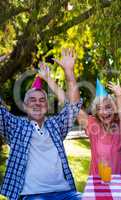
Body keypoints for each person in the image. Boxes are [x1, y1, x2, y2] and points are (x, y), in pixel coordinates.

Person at [0, 48, 82, 200]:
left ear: (47, 106)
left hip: (66, 193)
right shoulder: (16, 126)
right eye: (32, 100)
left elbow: (74, 105)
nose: (37, 103)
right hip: (33, 196)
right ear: (24, 106)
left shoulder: (55, 125)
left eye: (42, 100)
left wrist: (69, 72)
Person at [39, 63, 121, 176]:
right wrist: (50, 79)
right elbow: (71, 104)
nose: (104, 112)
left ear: (115, 108)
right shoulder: (93, 124)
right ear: (96, 112)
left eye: (108, 107)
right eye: (99, 109)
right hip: (97, 183)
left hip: (120, 185)